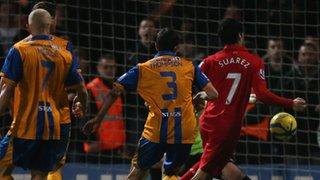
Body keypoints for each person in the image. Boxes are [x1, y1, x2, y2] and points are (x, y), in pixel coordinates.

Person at [83, 28, 218, 179]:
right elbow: (214, 94)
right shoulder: (190, 66)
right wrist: (198, 97)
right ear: (176, 48)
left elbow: (115, 91)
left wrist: (97, 119)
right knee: (172, 173)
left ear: (155, 45)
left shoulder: (142, 68)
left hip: (156, 131)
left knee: (138, 172)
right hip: (184, 131)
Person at [181, 18, 306, 180]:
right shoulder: (254, 61)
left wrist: (197, 97)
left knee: (217, 167)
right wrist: (291, 103)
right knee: (204, 172)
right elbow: (263, 94)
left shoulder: (210, 60)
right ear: (241, 36)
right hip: (227, 127)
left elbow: (189, 81)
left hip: (207, 122)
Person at [0, 2, 86, 180]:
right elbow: (81, 88)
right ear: (50, 22)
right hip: (55, 122)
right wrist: (81, 103)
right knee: (44, 172)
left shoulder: (19, 48)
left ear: (28, 24)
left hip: (26, 120)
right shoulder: (64, 50)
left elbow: (6, 89)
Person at [84, 55, 126, 163]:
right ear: (98, 68)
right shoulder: (91, 88)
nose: (109, 70)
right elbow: (85, 118)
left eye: (112, 67)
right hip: (98, 148)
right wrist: (90, 141)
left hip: (118, 146)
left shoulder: (119, 88)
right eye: (105, 67)